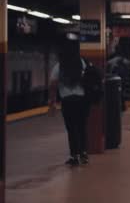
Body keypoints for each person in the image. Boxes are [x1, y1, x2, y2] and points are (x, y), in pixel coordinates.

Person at [48, 38, 90, 167]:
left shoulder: (59, 66)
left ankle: (74, 156)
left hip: (67, 101)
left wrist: (52, 102)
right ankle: (84, 154)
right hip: (81, 100)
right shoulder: (81, 62)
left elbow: (53, 84)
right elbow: (87, 78)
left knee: (71, 129)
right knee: (82, 127)